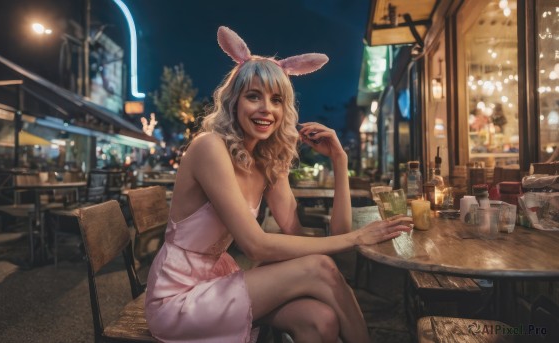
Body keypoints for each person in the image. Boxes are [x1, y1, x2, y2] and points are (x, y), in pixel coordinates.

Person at [145, 26, 412, 343]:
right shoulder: (209, 148)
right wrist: (358, 238)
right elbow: (256, 246)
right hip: (177, 297)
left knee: (321, 321)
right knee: (321, 269)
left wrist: (340, 161)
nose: (266, 109)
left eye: (276, 100)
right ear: (234, 101)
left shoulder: (267, 162)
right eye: (253, 96)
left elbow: (318, 237)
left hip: (218, 281)